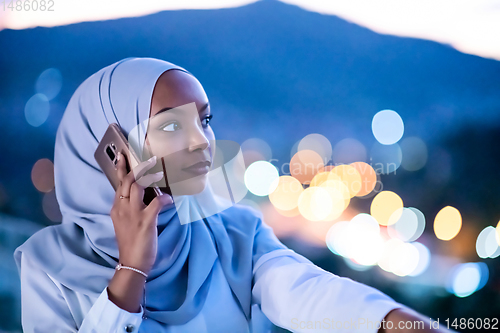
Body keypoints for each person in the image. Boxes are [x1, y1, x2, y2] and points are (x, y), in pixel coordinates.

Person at [14, 57, 454, 333]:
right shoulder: (47, 269)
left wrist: (401, 325)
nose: (203, 142)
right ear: (112, 151)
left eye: (205, 120)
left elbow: (307, 292)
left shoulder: (232, 231)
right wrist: (131, 270)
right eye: (171, 126)